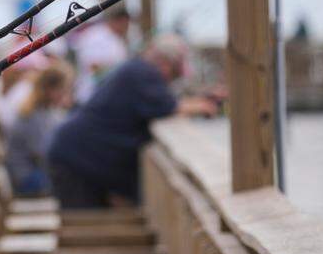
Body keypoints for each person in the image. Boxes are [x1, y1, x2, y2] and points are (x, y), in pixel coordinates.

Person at [46, 34, 217, 208]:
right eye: (174, 73)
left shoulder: (137, 69)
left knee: (87, 222)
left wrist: (200, 101)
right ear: (165, 64)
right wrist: (203, 106)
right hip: (76, 160)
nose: (170, 79)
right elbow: (167, 106)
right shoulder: (144, 73)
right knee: (81, 225)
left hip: (78, 156)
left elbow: (166, 103)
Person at [5, 61, 73, 196]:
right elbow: (42, 153)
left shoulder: (50, 111)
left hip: (38, 171)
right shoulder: (31, 115)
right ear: (49, 89)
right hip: (27, 178)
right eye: (62, 89)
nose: (65, 94)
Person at [72, 7, 131, 103]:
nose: (127, 28)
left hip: (109, 96)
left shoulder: (118, 39)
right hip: (90, 95)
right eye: (126, 24)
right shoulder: (94, 36)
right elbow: (93, 66)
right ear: (119, 21)